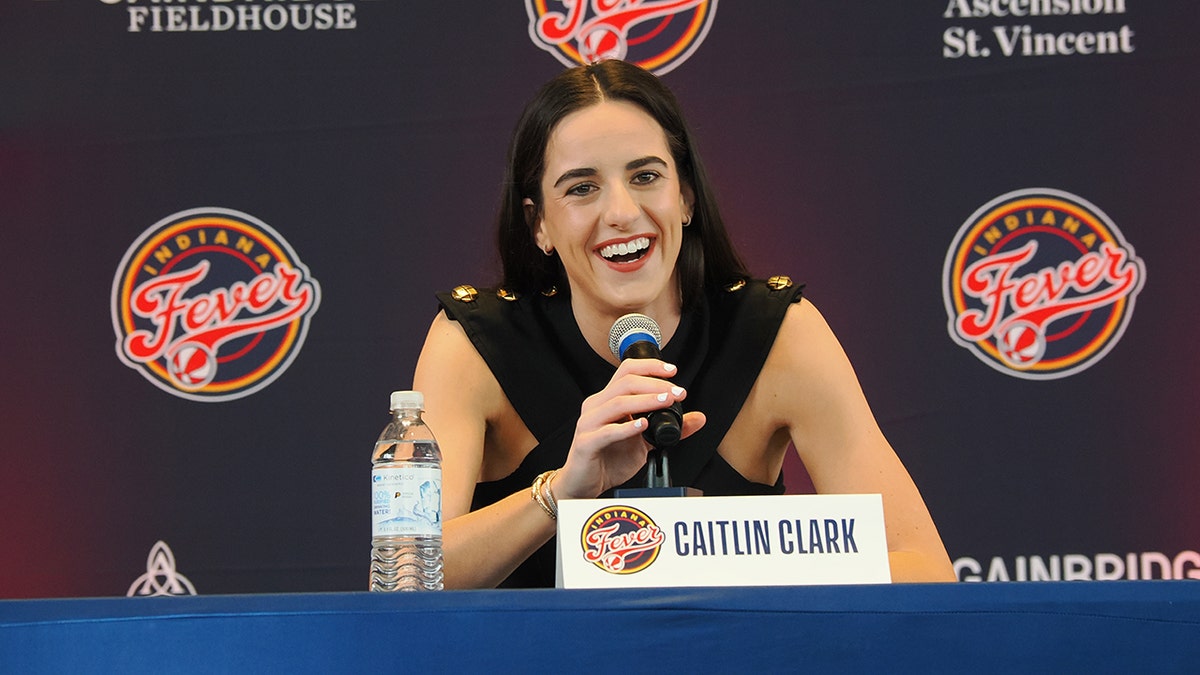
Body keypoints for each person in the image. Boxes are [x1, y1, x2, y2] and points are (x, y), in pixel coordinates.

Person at [412, 59, 955, 588]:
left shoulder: (775, 334)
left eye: (646, 176)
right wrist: (558, 496)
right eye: (581, 188)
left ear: (686, 198)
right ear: (539, 226)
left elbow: (925, 571)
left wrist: (703, 559)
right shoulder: (475, 345)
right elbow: (404, 583)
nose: (621, 211)